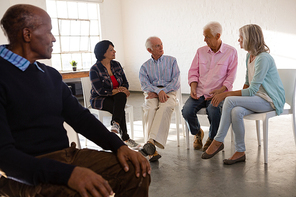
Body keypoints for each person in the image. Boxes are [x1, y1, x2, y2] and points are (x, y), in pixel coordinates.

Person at [0, 4, 150, 197]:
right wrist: (67, 174)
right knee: (74, 192)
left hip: (65, 156)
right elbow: (4, 156)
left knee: (136, 171)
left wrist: (118, 145)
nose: (54, 38)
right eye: (49, 32)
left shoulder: (50, 75)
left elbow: (80, 118)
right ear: (27, 34)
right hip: (22, 172)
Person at [201, 24, 285, 165]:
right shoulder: (249, 56)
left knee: (229, 101)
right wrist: (236, 98)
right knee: (236, 111)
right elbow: (247, 82)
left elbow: (251, 90)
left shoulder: (263, 58)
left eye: (241, 38)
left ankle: (218, 140)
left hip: (270, 99)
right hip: (257, 98)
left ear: (249, 39)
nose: (238, 40)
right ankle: (240, 151)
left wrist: (226, 95)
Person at [182, 21, 238, 151]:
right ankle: (197, 133)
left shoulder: (231, 52)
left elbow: (231, 77)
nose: (204, 40)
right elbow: (193, 71)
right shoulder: (200, 51)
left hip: (217, 93)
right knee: (187, 111)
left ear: (218, 36)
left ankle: (213, 138)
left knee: (214, 111)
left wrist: (221, 90)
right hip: (200, 91)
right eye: (204, 36)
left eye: (207, 36)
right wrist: (193, 87)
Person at [90, 40, 141, 150]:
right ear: (103, 52)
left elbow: (125, 83)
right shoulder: (94, 69)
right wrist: (119, 91)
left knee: (120, 98)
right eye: (111, 50)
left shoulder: (116, 65)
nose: (114, 51)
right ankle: (125, 138)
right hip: (99, 99)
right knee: (118, 106)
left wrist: (124, 89)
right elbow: (99, 91)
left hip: (117, 97)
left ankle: (116, 125)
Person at [139, 36, 180, 162]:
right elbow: (145, 85)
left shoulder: (172, 61)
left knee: (165, 106)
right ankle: (153, 151)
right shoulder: (144, 67)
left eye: (161, 44)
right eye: (157, 45)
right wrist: (158, 92)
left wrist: (163, 91)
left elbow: (176, 82)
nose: (161, 47)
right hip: (153, 94)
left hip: (169, 92)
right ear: (149, 50)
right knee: (150, 109)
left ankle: (150, 142)